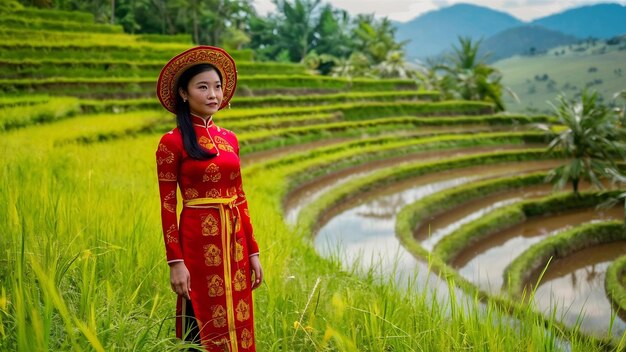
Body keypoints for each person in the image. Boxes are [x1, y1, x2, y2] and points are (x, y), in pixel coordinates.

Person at [155, 46, 263, 351]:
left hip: (235, 241)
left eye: (217, 86)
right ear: (184, 94)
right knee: (201, 316)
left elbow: (240, 197)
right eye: (203, 87)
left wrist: (253, 251)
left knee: (238, 315)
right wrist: (175, 261)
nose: (213, 94)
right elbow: (167, 205)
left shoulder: (230, 138)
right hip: (198, 241)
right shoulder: (171, 142)